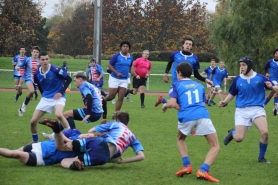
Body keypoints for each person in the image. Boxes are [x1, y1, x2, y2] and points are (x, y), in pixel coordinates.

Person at [162, 62, 220, 183]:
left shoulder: (176, 85)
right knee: (215, 146)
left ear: (179, 73)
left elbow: (173, 104)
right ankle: (203, 170)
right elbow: (203, 103)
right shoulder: (199, 85)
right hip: (202, 114)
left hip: (186, 116)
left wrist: (165, 105)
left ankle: (187, 165)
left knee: (180, 139)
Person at [220, 56, 278, 164]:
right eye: (240, 65)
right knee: (239, 138)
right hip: (242, 110)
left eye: (243, 65)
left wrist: (272, 86)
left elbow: (276, 89)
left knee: (265, 132)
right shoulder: (238, 79)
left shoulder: (261, 78)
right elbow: (232, 93)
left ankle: (261, 158)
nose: (241, 67)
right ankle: (232, 133)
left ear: (249, 65)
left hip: (257, 109)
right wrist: (225, 102)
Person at [40, 111, 145, 170]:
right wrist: (122, 161)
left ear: (117, 120)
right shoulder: (133, 137)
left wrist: (97, 133)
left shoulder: (115, 124)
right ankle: (74, 165)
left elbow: (91, 130)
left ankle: (57, 130)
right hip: (106, 156)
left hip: (100, 142)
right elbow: (141, 156)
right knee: (65, 162)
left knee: (65, 146)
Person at [41, 71, 107, 140]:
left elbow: (89, 97)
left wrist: (88, 113)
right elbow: (103, 100)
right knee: (67, 116)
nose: (74, 83)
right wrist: (104, 117)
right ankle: (54, 135)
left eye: (75, 81)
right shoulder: (92, 86)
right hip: (98, 113)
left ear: (80, 80)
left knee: (65, 115)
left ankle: (73, 137)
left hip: (92, 112)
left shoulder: (83, 85)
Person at [155, 35, 213, 107]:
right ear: (183, 45)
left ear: (192, 47)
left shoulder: (195, 58)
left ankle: (163, 100)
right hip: (176, 83)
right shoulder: (175, 54)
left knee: (179, 105)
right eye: (186, 43)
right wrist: (165, 74)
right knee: (178, 105)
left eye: (190, 44)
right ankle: (164, 101)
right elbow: (169, 64)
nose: (188, 45)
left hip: (186, 84)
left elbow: (196, 74)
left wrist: (206, 80)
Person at [30, 51, 72, 143]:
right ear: (39, 61)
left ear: (49, 59)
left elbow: (69, 79)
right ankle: (35, 141)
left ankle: (71, 135)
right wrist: (44, 95)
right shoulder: (37, 73)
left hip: (59, 97)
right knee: (33, 121)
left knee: (59, 114)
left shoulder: (55, 70)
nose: (45, 61)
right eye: (43, 59)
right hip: (46, 99)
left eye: (47, 59)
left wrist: (61, 92)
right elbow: (39, 85)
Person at [0, 129, 81, 166]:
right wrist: (69, 140)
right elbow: (59, 135)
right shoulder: (75, 132)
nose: (89, 135)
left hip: (43, 158)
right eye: (89, 133)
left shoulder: (83, 150)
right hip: (41, 145)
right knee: (12, 152)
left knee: (15, 154)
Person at [105, 41, 133, 116]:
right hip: (114, 78)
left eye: (127, 46)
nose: (125, 48)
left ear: (129, 48)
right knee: (111, 96)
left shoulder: (131, 57)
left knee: (121, 97)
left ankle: (116, 114)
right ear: (121, 47)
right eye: (123, 46)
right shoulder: (117, 56)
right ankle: (102, 101)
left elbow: (130, 66)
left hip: (124, 79)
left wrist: (133, 72)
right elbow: (109, 65)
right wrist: (116, 73)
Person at [15, 46, 40, 116]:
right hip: (28, 78)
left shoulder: (39, 61)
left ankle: (22, 107)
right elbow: (19, 65)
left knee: (31, 94)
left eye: (37, 52)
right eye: (34, 52)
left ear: (38, 53)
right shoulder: (27, 59)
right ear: (31, 52)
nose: (35, 53)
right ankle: (24, 106)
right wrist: (17, 67)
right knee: (31, 91)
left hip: (36, 80)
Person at [264, 48, 278, 115]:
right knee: (277, 90)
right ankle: (275, 107)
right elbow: (265, 67)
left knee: (271, 94)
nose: (277, 55)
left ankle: (263, 105)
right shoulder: (270, 61)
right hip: (273, 79)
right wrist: (266, 73)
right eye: (276, 53)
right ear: (274, 54)